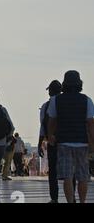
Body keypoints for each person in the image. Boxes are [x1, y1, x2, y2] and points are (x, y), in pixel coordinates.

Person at [47, 70, 94, 203]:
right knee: (83, 176)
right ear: (79, 83)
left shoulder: (56, 100)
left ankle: (70, 201)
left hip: (64, 142)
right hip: (82, 142)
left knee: (67, 176)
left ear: (64, 84)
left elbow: (52, 121)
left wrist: (50, 135)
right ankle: (82, 201)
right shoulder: (87, 100)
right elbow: (91, 123)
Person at [38, 80, 63, 202]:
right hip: (66, 141)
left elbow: (43, 126)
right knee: (70, 171)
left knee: (52, 172)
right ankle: (72, 196)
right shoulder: (66, 103)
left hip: (52, 142)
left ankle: (54, 198)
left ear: (50, 91)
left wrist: (39, 144)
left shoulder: (45, 106)